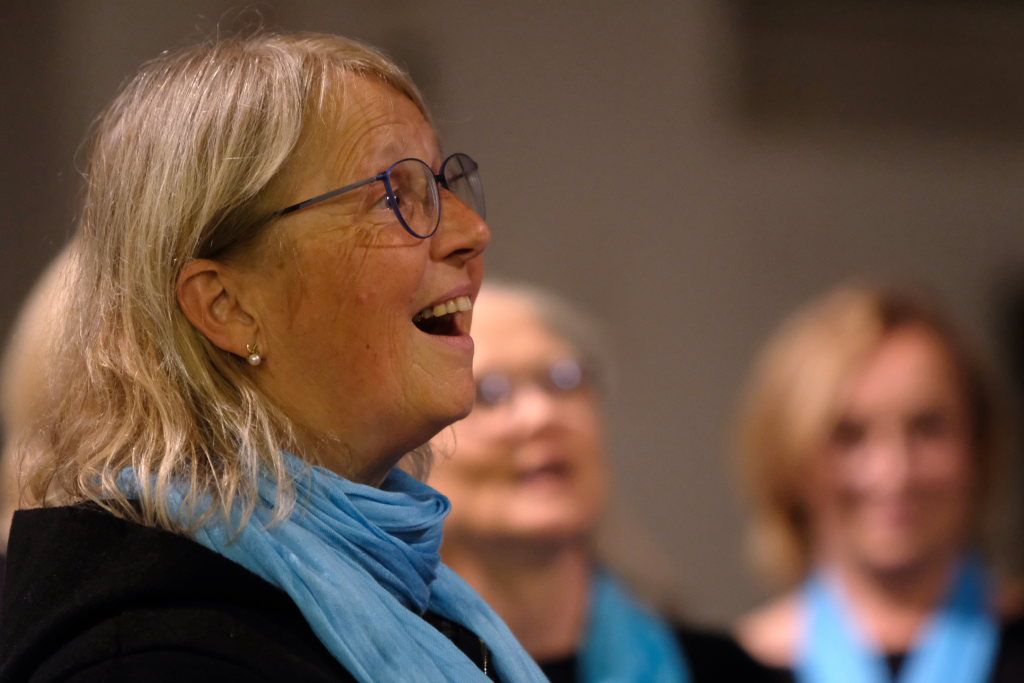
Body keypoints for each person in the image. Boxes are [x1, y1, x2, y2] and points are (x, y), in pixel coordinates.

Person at [0, 33, 547, 682]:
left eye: (439, 183)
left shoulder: (410, 599)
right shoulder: (151, 661)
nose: (472, 233)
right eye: (393, 196)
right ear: (227, 305)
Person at [427, 281, 772, 682]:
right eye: (489, 392)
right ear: (408, 447)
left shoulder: (727, 672)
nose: (541, 415)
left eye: (563, 379)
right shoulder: (371, 668)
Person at [734, 285, 1024, 683]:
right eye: (850, 436)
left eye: (928, 428)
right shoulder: (725, 671)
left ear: (978, 443)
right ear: (790, 456)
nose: (894, 473)